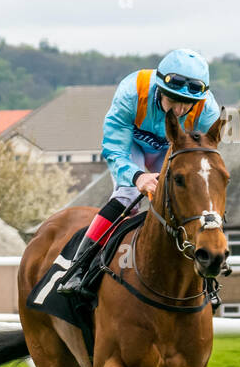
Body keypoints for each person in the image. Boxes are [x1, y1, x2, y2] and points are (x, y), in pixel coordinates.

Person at [58, 49, 221, 296]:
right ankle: (78, 268)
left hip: (173, 148)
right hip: (131, 146)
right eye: (174, 100)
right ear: (160, 89)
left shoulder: (208, 112)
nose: (179, 110)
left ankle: (205, 278)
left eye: (187, 104)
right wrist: (138, 177)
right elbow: (114, 148)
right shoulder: (132, 92)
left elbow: (201, 160)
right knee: (126, 196)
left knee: (188, 200)